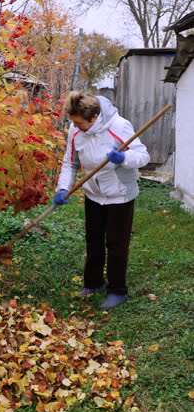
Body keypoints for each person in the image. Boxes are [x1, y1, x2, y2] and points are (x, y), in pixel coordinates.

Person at [53, 91, 150, 309]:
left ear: (94, 117)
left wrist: (124, 157)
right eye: (73, 123)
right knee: (93, 240)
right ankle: (93, 283)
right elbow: (70, 163)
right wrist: (62, 188)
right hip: (93, 194)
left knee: (116, 244)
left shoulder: (119, 127)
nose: (75, 127)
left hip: (120, 195)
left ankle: (118, 290)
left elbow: (143, 156)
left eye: (79, 123)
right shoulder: (76, 131)